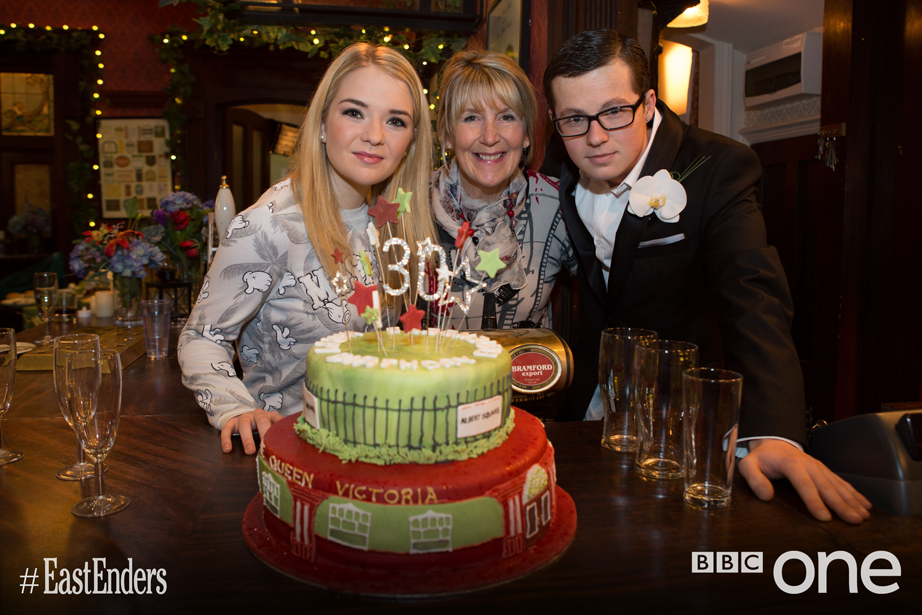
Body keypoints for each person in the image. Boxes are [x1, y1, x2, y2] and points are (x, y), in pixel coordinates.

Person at [541, 30, 871, 524]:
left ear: (648, 103)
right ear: (556, 119)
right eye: (574, 118)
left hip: (679, 418)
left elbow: (753, 295)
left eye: (614, 111)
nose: (594, 136)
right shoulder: (559, 164)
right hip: (589, 405)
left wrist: (774, 432)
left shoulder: (719, 167)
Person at [178, 43, 437, 455]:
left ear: (411, 140)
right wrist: (234, 409)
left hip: (377, 446)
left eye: (395, 121)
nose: (373, 135)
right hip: (290, 452)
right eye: (354, 112)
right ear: (320, 123)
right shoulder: (267, 224)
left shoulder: (393, 220)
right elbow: (202, 336)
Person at [430, 49, 574, 329]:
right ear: (447, 134)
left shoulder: (558, 204)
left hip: (525, 372)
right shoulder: (408, 205)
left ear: (527, 134)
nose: (490, 137)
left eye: (506, 117)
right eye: (471, 117)